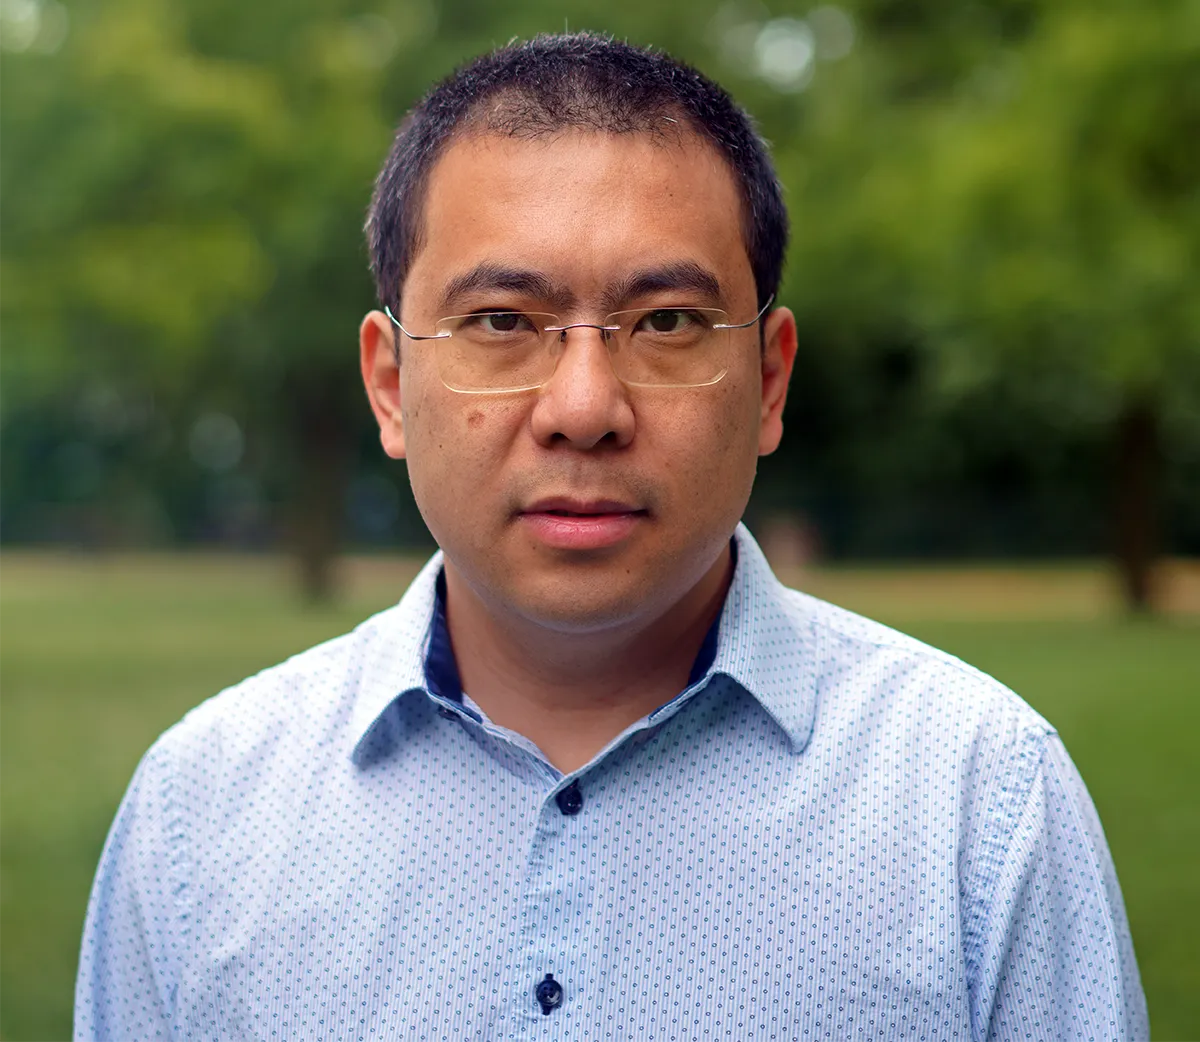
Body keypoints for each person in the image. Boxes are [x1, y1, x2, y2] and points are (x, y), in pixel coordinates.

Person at [75, 32, 1148, 1040]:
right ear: (393, 385)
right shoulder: (200, 814)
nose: (584, 406)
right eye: (502, 322)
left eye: (667, 322)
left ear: (769, 379)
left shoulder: (979, 800)